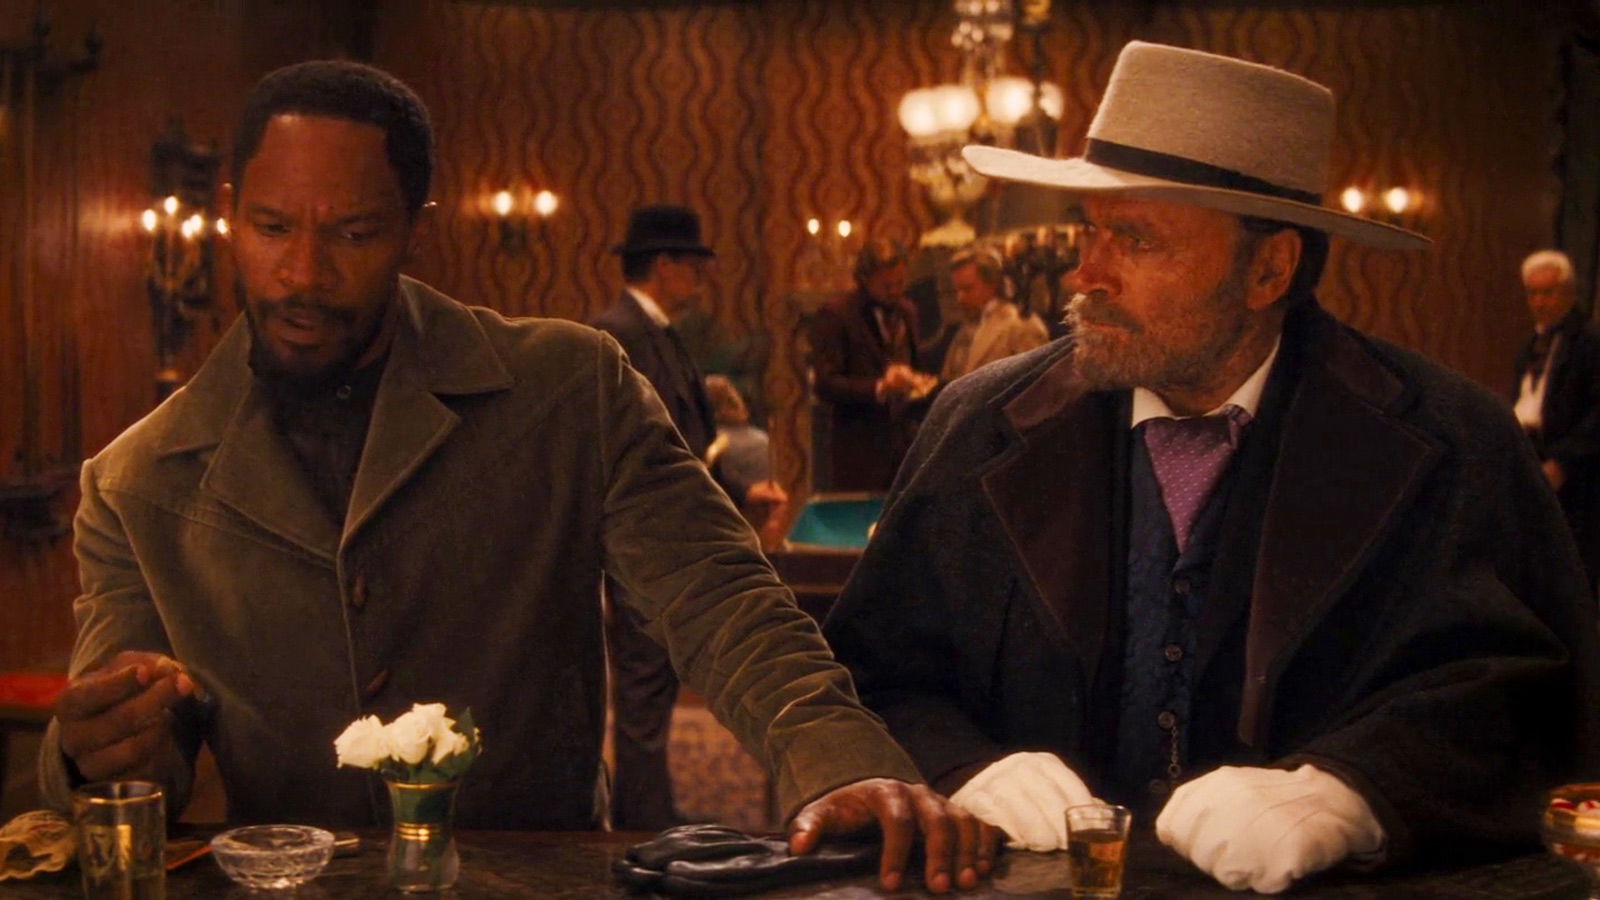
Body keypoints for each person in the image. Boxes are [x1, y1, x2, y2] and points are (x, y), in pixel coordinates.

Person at [39, 60, 995, 894]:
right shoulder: (133, 481)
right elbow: (123, 746)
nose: (303, 272)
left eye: (355, 233)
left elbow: (723, 599)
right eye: (272, 227)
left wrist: (840, 762)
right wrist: (97, 754)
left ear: (415, 228)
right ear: (229, 215)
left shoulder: (568, 387)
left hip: (542, 878)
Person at [823, 41, 1600, 895]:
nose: (1087, 275)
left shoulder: (1451, 442)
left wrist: (1356, 791)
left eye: (1135, 239)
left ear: (1269, 268)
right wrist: (963, 765)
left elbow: (1528, 698)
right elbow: (873, 670)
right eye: (1090, 231)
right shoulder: (979, 427)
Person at [588, 204, 717, 831]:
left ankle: (649, 810)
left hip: (668, 542)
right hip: (641, 544)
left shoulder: (656, 331)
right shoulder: (618, 333)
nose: (700, 279)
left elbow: (685, 436)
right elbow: (636, 447)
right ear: (664, 265)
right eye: (693, 265)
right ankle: (642, 822)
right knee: (642, 688)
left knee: (655, 686)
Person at [808, 239, 938, 491]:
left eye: (900, 283)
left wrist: (918, 382)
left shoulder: (908, 311)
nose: (895, 291)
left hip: (906, 449)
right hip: (859, 452)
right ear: (865, 279)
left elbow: (915, 364)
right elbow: (824, 384)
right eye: (886, 285)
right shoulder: (837, 314)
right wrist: (880, 387)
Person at [1512, 249, 1600, 584]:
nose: (1539, 302)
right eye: (1532, 293)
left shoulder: (1590, 341)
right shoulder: (1531, 344)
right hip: (1533, 451)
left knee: (1575, 561)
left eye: (1547, 292)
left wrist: (1563, 461)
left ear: (1569, 293)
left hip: (1576, 466)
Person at [939, 245, 1048, 382]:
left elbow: (1037, 384)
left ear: (992, 284)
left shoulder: (1021, 325)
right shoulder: (967, 326)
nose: (960, 298)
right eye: (957, 290)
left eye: (967, 289)